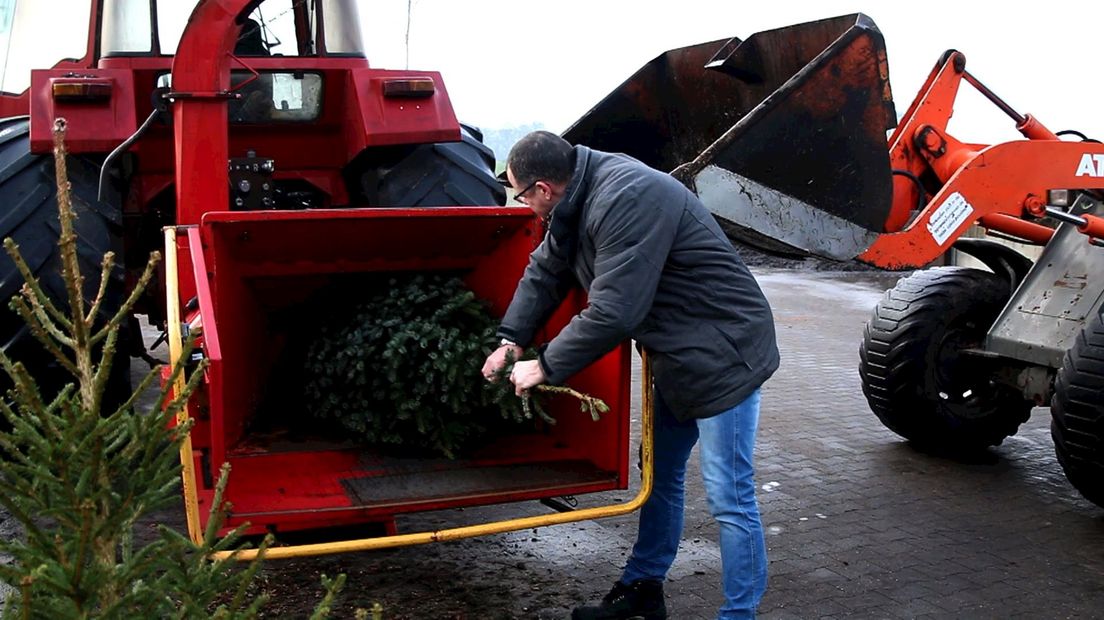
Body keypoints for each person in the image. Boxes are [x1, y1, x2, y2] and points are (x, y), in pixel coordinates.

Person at [480, 131, 780, 620]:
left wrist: (547, 364)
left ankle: (738, 614)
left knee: (729, 494)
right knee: (659, 477)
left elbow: (616, 310)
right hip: (680, 354)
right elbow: (546, 269)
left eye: (519, 194)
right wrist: (511, 339)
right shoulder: (577, 195)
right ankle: (642, 590)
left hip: (724, 353)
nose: (524, 204)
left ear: (542, 188)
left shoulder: (626, 196)